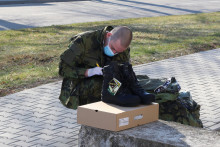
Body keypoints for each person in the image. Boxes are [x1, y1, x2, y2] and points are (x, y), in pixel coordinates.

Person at [58, 26, 132, 110]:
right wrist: (88, 72)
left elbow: (123, 72)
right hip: (79, 83)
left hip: (106, 81)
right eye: (113, 48)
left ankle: (107, 109)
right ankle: (91, 115)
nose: (114, 53)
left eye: (118, 52)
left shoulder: (122, 48)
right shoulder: (83, 41)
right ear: (108, 35)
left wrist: (112, 91)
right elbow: (63, 69)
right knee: (97, 85)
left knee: (127, 85)